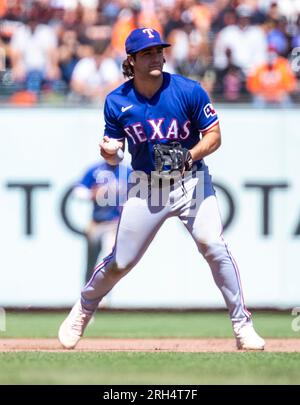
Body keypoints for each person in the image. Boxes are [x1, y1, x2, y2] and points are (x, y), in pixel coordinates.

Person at [58, 28, 265, 351]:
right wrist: (109, 152)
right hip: (146, 186)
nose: (156, 57)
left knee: (213, 245)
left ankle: (242, 326)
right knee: (120, 262)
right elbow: (116, 149)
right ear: (132, 60)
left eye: (159, 51)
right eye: (147, 53)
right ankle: (83, 309)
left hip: (191, 181)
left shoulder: (187, 90)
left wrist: (190, 154)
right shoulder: (117, 101)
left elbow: (214, 135)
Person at [72, 161, 129, 285]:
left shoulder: (127, 171)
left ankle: (102, 297)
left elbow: (140, 192)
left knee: (109, 259)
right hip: (96, 223)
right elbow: (78, 190)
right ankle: (86, 295)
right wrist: (91, 194)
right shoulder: (95, 169)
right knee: (91, 261)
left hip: (115, 224)